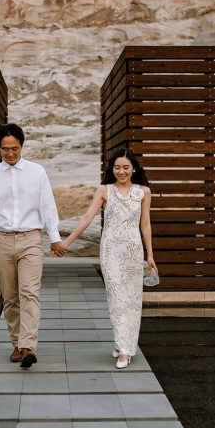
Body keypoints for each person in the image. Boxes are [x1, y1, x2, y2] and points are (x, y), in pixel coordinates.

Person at [0, 123, 67, 368]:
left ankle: (28, 346)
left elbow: (47, 206)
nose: (10, 154)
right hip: (3, 241)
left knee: (30, 292)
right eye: (5, 150)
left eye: (14, 149)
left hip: (31, 239)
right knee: (11, 296)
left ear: (22, 146)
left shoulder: (37, 172)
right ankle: (16, 344)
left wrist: (55, 237)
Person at [61, 149, 156, 369]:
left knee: (132, 298)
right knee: (116, 297)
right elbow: (87, 218)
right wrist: (67, 243)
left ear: (134, 168)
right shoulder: (104, 191)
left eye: (125, 167)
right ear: (111, 169)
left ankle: (124, 344)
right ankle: (124, 349)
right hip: (111, 250)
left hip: (133, 250)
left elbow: (145, 224)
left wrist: (150, 254)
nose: (121, 171)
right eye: (117, 167)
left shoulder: (144, 192)